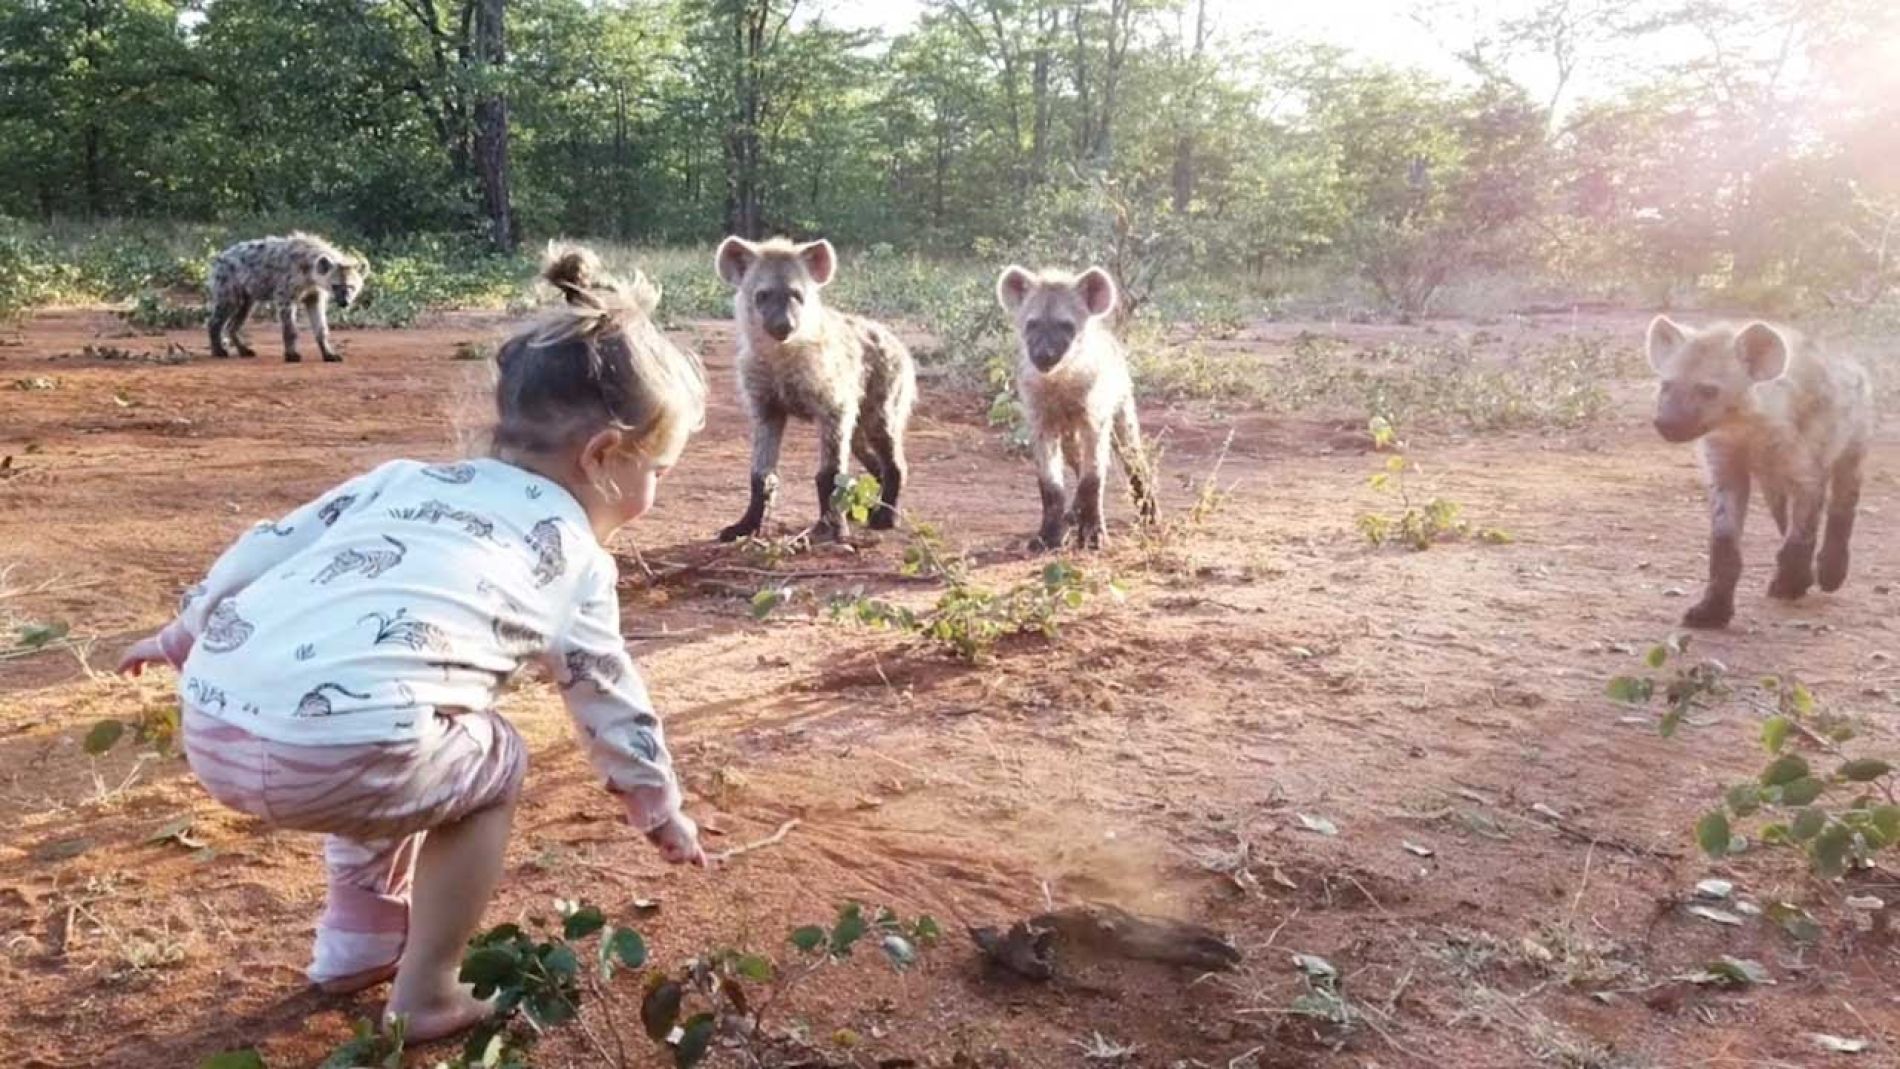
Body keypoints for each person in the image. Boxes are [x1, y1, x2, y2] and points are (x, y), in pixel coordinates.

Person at [118, 247, 706, 1042]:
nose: (656, 491)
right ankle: (426, 987)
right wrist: (655, 803)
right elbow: (608, 695)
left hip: (215, 720)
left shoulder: (400, 479)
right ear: (603, 455)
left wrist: (180, 634)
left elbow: (266, 543)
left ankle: (355, 941)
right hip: (336, 747)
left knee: (393, 714)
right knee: (490, 759)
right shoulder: (573, 553)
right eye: (658, 468)